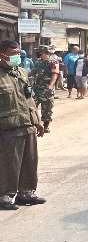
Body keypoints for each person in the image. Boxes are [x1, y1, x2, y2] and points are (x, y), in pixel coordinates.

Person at [0, 40, 47, 210]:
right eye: (14, 54)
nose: (18, 57)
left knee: (30, 161)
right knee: (9, 163)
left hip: (27, 125)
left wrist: (37, 121)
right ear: (2, 54)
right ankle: (5, 196)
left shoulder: (21, 72)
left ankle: (26, 193)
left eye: (18, 53)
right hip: (7, 127)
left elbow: (29, 98)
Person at [30, 47, 55, 133]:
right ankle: (33, 123)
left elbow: (55, 74)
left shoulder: (53, 61)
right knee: (32, 106)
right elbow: (33, 72)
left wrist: (51, 85)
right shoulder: (38, 62)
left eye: (40, 52)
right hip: (37, 88)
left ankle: (46, 126)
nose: (39, 53)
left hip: (46, 89)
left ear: (45, 52)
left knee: (47, 108)